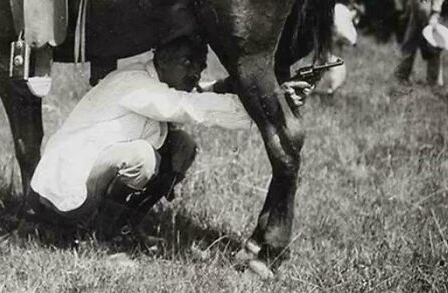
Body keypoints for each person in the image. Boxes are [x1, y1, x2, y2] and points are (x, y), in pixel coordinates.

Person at [22, 35, 312, 239]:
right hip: (66, 190)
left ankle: (124, 228)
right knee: (141, 157)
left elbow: (196, 94)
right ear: (165, 59)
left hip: (88, 178)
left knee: (182, 146)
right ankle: (105, 239)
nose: (196, 74)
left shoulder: (155, 80)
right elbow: (187, 106)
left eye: (199, 67)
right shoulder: (134, 83)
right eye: (190, 65)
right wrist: (266, 107)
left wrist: (275, 97)